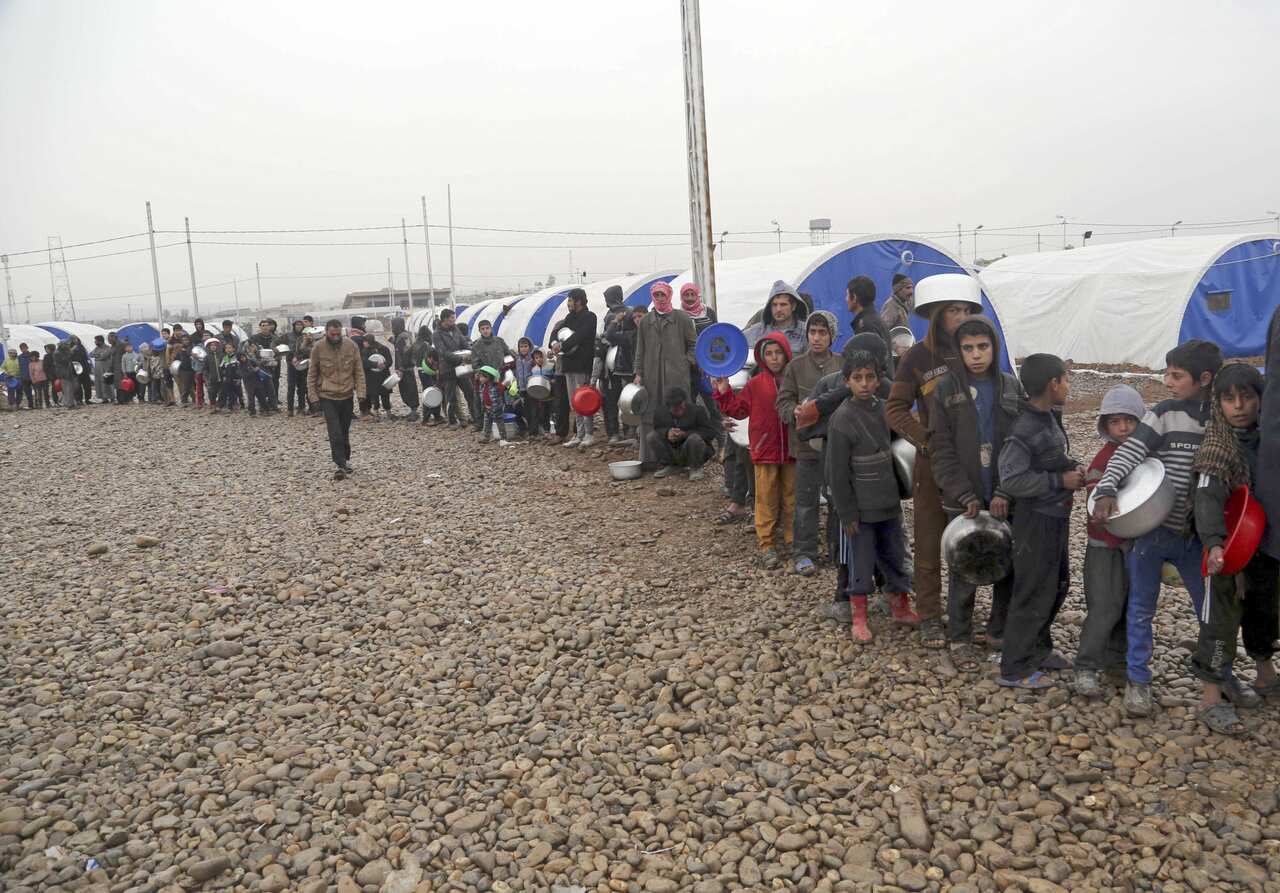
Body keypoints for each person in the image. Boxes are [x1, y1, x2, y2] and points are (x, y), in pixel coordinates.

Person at [1091, 339, 1224, 717]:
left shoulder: (1221, 420)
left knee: (1212, 612)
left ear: (1204, 379)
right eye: (1167, 373)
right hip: (1154, 531)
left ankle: (1220, 677)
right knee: (1140, 608)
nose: (1167, 381)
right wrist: (1106, 488)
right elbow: (1129, 453)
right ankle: (1138, 680)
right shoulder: (1163, 414)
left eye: (1176, 376)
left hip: (1199, 537)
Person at [885, 274, 982, 648]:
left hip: (972, 463)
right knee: (928, 542)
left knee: (969, 539)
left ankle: (962, 617)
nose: (961, 317)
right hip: (931, 465)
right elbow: (895, 408)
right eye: (954, 310)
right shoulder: (917, 357)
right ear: (938, 314)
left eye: (967, 310)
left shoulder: (978, 351)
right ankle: (928, 615)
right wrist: (924, 439)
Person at [928, 317, 1025, 667]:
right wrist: (962, 493)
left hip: (1004, 495)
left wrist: (1006, 490)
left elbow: (1021, 444)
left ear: (994, 347)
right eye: (968, 348)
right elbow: (940, 447)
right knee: (964, 566)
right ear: (958, 351)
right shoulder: (945, 389)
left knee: (1006, 562)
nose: (976, 355)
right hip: (964, 498)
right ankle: (959, 636)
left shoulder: (1011, 387)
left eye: (983, 346)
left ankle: (998, 630)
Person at [1191, 364, 1276, 735]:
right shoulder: (1217, 448)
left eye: (1247, 397)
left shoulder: (1269, 441)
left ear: (1262, 399)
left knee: (1265, 610)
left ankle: (1265, 673)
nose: (1239, 406)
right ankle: (1211, 698)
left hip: (1264, 545)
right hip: (1227, 551)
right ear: (1218, 404)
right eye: (1229, 399)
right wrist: (1213, 544)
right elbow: (1207, 499)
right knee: (1220, 622)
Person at [996, 354, 1082, 690]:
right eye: (1066, 379)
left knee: (1057, 585)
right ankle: (1014, 668)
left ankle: (1037, 649)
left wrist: (1072, 468)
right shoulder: (1025, 429)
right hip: (1036, 521)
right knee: (1033, 591)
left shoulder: (1048, 418)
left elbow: (1050, 459)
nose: (1068, 386)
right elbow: (1012, 478)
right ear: (1052, 384)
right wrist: (1060, 481)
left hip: (1056, 516)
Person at [826, 349, 915, 642]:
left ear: (878, 380)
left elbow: (904, 443)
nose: (864, 383)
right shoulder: (841, 419)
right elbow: (837, 473)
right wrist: (847, 513)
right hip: (860, 510)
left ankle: (900, 607)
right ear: (847, 381)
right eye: (857, 378)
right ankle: (859, 618)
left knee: (895, 555)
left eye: (870, 377)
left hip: (888, 503)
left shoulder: (885, 410)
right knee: (861, 563)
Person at [1073, 385, 1147, 697]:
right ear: (1105, 426)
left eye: (1129, 420)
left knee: (1130, 605)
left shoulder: (1146, 456)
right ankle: (1086, 667)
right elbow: (1096, 502)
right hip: (1105, 546)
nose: (1123, 428)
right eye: (1115, 422)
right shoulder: (1103, 460)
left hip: (1136, 545)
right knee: (1105, 607)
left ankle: (1116, 663)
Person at [713, 332, 795, 569]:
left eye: (778, 353)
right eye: (769, 353)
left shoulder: (794, 381)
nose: (774, 358)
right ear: (762, 356)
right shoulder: (755, 384)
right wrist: (724, 391)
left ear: (786, 354)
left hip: (792, 450)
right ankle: (766, 543)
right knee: (766, 497)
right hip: (765, 448)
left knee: (791, 497)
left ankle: (792, 539)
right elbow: (738, 411)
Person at [775, 311, 842, 576]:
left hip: (838, 447)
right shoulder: (795, 367)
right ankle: (804, 553)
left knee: (839, 501)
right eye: (812, 332)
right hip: (806, 447)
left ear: (832, 336)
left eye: (822, 332)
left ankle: (839, 552)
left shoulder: (843, 364)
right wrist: (793, 411)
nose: (816, 338)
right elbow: (782, 401)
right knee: (805, 502)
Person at [634, 281, 696, 467]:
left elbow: (693, 345)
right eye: (657, 295)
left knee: (678, 412)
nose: (660, 298)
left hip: (677, 376)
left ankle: (683, 458)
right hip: (651, 376)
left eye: (663, 294)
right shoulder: (646, 321)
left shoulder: (682, 319)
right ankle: (651, 458)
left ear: (669, 295)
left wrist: (685, 362)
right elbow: (640, 350)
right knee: (650, 413)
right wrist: (638, 373)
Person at [309, 319, 365, 479]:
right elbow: (312, 374)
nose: (335, 336)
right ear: (326, 332)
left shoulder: (351, 346)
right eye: (332, 334)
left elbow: (359, 371)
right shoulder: (318, 348)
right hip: (327, 396)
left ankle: (345, 459)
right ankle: (340, 464)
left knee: (344, 431)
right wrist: (313, 398)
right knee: (335, 432)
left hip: (347, 395)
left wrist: (361, 394)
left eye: (338, 334)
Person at [550, 288, 599, 447]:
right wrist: (554, 343)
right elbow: (557, 332)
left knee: (585, 399)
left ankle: (589, 434)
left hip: (582, 364)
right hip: (568, 364)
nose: (568, 304)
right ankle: (579, 434)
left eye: (570, 300)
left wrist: (562, 345)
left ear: (579, 301)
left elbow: (580, 336)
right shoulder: (569, 318)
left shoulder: (590, 317)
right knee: (574, 401)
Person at [649, 386, 718, 480]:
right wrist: (667, 433)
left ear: (684, 402)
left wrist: (685, 434)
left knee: (694, 438)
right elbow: (657, 429)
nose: (679, 412)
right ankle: (672, 466)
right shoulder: (660, 412)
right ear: (668, 407)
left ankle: (696, 467)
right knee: (652, 436)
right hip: (672, 449)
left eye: (681, 407)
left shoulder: (698, 411)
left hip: (692, 449)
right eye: (675, 410)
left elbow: (710, 433)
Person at [605, 305, 644, 445]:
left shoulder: (653, 332)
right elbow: (610, 335)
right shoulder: (630, 335)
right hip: (632, 373)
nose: (637, 319)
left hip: (648, 373)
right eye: (635, 317)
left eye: (640, 316)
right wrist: (615, 321)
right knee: (633, 402)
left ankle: (640, 435)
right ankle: (634, 434)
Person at [743, 280, 809, 356]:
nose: (778, 309)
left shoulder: (806, 332)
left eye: (783, 304)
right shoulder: (757, 331)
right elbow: (734, 343)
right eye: (774, 305)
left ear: (793, 306)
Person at [847, 276, 896, 379]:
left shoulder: (865, 325)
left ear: (854, 297)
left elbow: (871, 363)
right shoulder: (875, 319)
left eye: (847, 295)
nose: (846, 299)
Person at [432, 308, 471, 427]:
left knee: (470, 393)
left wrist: (471, 353)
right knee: (451, 397)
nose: (454, 320)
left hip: (462, 368)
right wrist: (460, 359)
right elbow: (443, 352)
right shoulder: (437, 334)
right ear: (445, 319)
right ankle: (453, 421)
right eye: (452, 318)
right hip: (448, 369)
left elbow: (464, 343)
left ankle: (475, 417)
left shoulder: (455, 329)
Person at [474, 365, 513, 445]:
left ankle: (503, 438)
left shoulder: (497, 386)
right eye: (480, 377)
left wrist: (504, 373)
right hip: (487, 408)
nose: (480, 379)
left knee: (500, 423)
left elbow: (504, 387)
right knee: (486, 424)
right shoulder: (483, 386)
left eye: (482, 377)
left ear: (488, 377)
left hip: (496, 409)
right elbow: (477, 388)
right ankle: (486, 437)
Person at [391, 318, 420, 422]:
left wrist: (401, 368)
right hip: (406, 368)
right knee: (407, 389)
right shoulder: (404, 336)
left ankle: (414, 411)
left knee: (408, 389)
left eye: (393, 326)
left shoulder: (402, 337)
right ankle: (412, 410)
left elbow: (405, 354)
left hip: (405, 369)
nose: (392, 328)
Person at [284, 319, 310, 417]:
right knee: (291, 387)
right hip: (291, 364)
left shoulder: (306, 336)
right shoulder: (288, 335)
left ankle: (301, 407)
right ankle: (290, 409)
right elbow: (276, 342)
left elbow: (309, 349)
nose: (299, 326)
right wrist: (278, 350)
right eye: (297, 325)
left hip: (302, 363)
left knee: (302, 387)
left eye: (300, 325)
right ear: (294, 326)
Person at [214, 340, 242, 412]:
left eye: (230, 348)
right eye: (226, 348)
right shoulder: (225, 358)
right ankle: (220, 406)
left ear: (233, 349)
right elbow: (221, 368)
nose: (228, 349)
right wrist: (223, 375)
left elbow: (240, 368)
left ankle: (234, 405)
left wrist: (239, 378)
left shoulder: (237, 357)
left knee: (236, 392)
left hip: (235, 378)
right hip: (227, 378)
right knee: (223, 392)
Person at [54, 341, 78, 408]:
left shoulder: (64, 352)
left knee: (72, 388)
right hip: (64, 373)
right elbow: (65, 360)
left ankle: (70, 402)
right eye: (66, 345)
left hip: (69, 372)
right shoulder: (57, 353)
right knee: (67, 389)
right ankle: (69, 404)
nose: (68, 346)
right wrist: (71, 351)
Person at [17, 344, 35, 410]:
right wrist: (20, 376)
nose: (23, 349)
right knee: (28, 392)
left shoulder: (32, 355)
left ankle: (38, 404)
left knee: (37, 391)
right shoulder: (19, 357)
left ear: (27, 347)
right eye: (22, 348)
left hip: (33, 376)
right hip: (24, 377)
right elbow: (19, 367)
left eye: (24, 348)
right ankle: (30, 405)